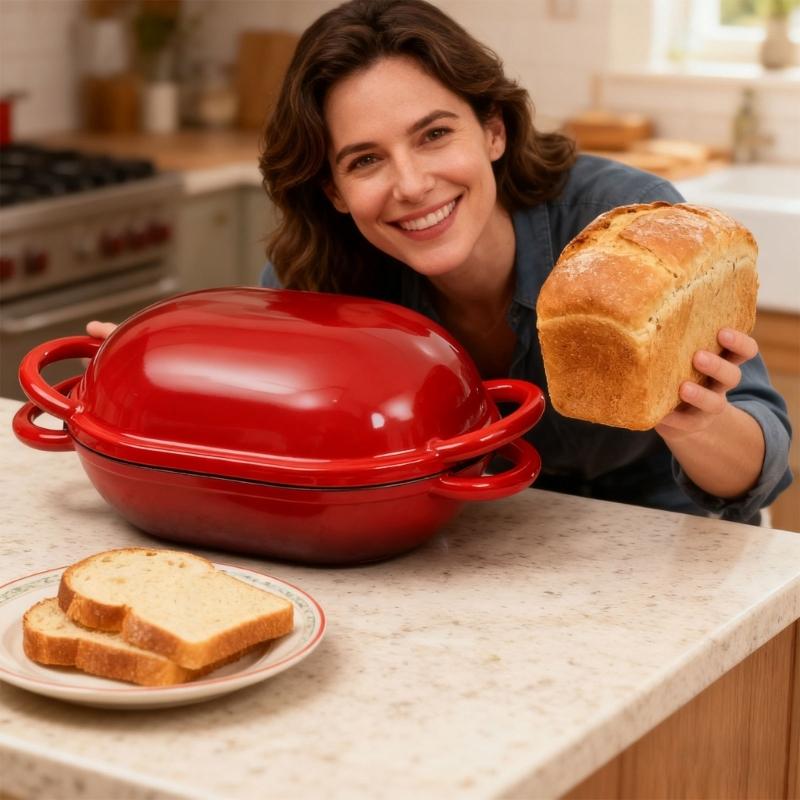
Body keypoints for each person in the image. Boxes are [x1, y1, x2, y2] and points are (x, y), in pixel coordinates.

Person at [91, 0, 792, 525]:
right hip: (452, 547)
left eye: (433, 135)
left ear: (492, 129)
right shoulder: (322, 273)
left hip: (655, 546)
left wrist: (698, 424)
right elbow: (278, 444)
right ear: (333, 190)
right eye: (365, 160)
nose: (412, 184)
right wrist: (161, 386)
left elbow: (763, 469)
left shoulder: (625, 225)